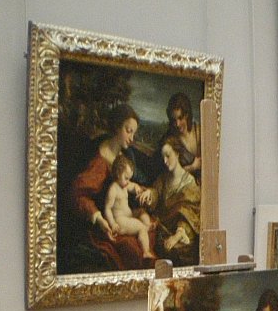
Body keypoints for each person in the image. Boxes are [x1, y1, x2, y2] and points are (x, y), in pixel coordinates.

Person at [69, 103, 155, 271]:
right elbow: (78, 194)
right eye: (128, 131)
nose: (132, 138)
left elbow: (141, 181)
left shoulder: (126, 155)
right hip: (108, 224)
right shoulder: (99, 161)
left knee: (148, 231)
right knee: (132, 251)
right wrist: (100, 219)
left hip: (126, 215)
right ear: (116, 127)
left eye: (134, 133)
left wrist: (149, 192)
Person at [139, 135, 201, 266]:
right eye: (163, 157)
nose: (165, 161)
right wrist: (150, 193)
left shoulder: (190, 184)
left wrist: (178, 234)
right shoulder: (163, 179)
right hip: (162, 230)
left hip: (182, 234)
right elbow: (156, 193)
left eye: (168, 156)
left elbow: (190, 215)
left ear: (177, 154)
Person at [103, 155, 155, 260]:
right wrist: (113, 224)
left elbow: (133, 186)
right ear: (118, 174)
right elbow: (107, 209)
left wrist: (137, 188)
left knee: (141, 212)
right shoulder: (113, 189)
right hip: (120, 221)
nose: (128, 181)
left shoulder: (124, 184)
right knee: (141, 228)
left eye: (129, 178)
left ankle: (147, 225)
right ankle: (146, 251)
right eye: (126, 178)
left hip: (128, 215)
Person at [164, 92, 202, 178]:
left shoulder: (200, 131)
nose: (177, 124)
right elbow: (170, 174)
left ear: (187, 115)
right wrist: (193, 167)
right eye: (174, 120)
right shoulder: (170, 140)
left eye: (180, 118)